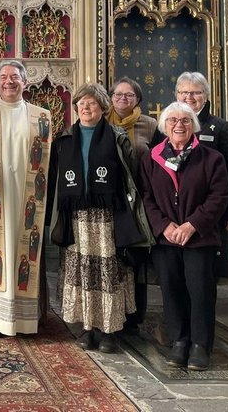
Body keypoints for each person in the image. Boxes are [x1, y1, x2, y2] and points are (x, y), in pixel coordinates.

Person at [47, 83, 150, 354]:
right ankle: (88, 327)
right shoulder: (65, 138)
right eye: (81, 103)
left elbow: (131, 176)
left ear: (103, 107)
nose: (86, 108)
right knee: (83, 272)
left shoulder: (117, 136)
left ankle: (110, 331)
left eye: (91, 103)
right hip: (77, 217)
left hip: (108, 216)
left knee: (108, 273)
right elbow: (56, 180)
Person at [141, 101, 228, 370]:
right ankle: (179, 341)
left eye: (185, 120)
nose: (179, 125)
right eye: (173, 121)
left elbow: (219, 196)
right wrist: (165, 226)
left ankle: (201, 346)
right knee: (171, 289)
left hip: (199, 238)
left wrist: (191, 225)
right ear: (164, 126)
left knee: (200, 291)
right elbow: (146, 197)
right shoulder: (151, 157)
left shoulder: (212, 158)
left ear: (194, 126)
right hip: (165, 239)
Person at [0, 60, 52, 337]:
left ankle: (25, 320)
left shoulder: (42, 116)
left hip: (28, 197)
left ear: (25, 82)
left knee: (24, 253)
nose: (9, 81)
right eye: (3, 77)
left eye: (14, 77)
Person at [175, 72, 228, 278]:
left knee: (205, 276)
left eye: (196, 92)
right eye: (184, 92)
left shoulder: (221, 127)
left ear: (205, 95)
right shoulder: (166, 126)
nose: (189, 97)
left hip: (210, 213)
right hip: (175, 213)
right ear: (176, 95)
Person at [106, 76, 158, 334]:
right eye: (117, 95)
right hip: (110, 200)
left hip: (138, 200)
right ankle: (111, 314)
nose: (122, 100)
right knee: (111, 260)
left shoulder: (150, 125)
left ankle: (134, 317)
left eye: (129, 95)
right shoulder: (101, 121)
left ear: (138, 99)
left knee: (135, 260)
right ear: (110, 97)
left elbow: (159, 162)